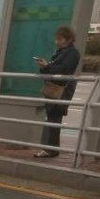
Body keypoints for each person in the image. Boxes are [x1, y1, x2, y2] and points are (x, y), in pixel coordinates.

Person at [34, 25, 81, 158]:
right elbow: (53, 69)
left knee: (55, 115)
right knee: (52, 116)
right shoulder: (60, 52)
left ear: (69, 39)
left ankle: (51, 149)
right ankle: (51, 148)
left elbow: (65, 69)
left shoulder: (72, 53)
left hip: (61, 89)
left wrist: (47, 66)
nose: (57, 42)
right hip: (54, 87)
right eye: (56, 39)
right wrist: (45, 67)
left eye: (60, 39)